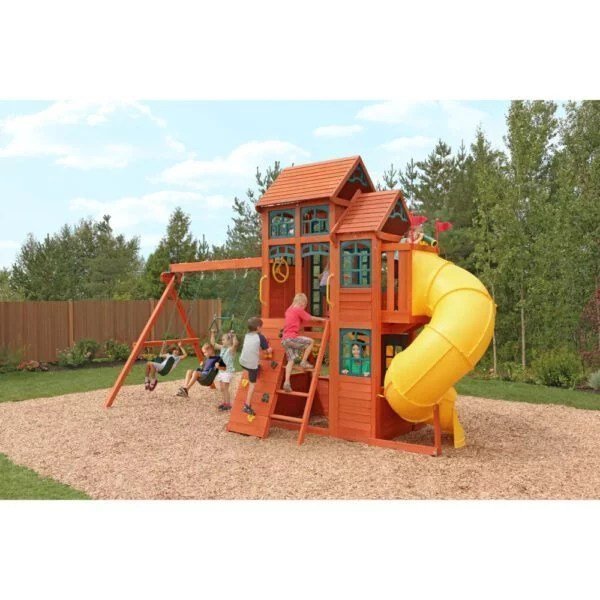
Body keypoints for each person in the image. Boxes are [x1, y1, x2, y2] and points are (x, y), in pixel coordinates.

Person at [281, 293, 325, 393]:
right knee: (310, 342)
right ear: (302, 303)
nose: (304, 307)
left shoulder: (289, 310)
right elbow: (310, 317)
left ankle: (287, 383)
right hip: (291, 338)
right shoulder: (298, 310)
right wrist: (321, 319)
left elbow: (293, 308)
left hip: (284, 339)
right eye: (305, 305)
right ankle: (303, 362)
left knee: (291, 360)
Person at [238, 317, 272, 415]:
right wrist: (270, 349)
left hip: (242, 361)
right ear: (258, 328)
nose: (262, 328)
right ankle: (247, 406)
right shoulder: (260, 337)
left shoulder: (247, 335)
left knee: (255, 366)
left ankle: (257, 368)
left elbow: (252, 346)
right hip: (251, 365)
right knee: (252, 385)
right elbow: (266, 350)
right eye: (261, 327)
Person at [210, 328, 239, 411]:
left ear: (229, 341)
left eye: (223, 339)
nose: (222, 341)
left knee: (225, 388)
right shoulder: (223, 347)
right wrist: (212, 333)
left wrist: (234, 336)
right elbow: (213, 343)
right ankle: (225, 402)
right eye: (222, 339)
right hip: (221, 371)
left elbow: (235, 344)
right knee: (222, 388)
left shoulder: (231, 349)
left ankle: (228, 404)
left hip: (227, 372)